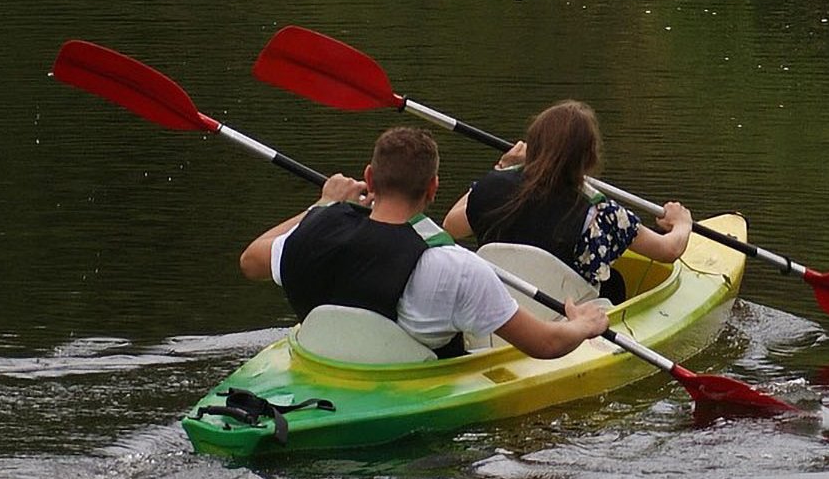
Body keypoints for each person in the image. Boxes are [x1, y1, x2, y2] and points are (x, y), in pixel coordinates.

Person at [239, 127, 608, 359]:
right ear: (433, 188)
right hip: (406, 387)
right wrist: (582, 325)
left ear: (370, 177)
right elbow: (545, 345)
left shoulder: (313, 235)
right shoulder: (456, 268)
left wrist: (323, 205)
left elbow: (250, 260)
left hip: (326, 366)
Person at [441, 100, 693, 304]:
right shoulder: (601, 213)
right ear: (590, 156)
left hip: (504, 313)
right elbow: (668, 250)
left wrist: (501, 169)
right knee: (613, 282)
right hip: (567, 320)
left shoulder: (489, 189)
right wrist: (682, 222)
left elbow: (451, 226)